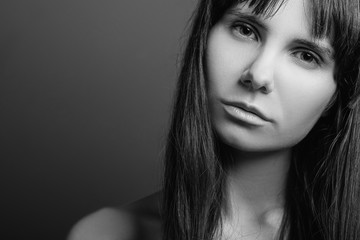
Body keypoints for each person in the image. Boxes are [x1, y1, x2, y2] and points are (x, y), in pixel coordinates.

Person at [67, 0, 360, 239]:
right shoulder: (106, 233)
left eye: (307, 56)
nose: (258, 75)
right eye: (245, 30)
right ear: (204, 35)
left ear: (337, 95)